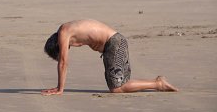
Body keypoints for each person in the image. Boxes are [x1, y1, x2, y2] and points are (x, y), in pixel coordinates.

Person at [42, 19, 178, 95]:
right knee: (118, 84)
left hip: (114, 44)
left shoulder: (64, 32)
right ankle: (157, 83)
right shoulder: (68, 28)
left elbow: (63, 62)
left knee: (117, 88)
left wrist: (60, 89)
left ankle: (158, 84)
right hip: (113, 46)